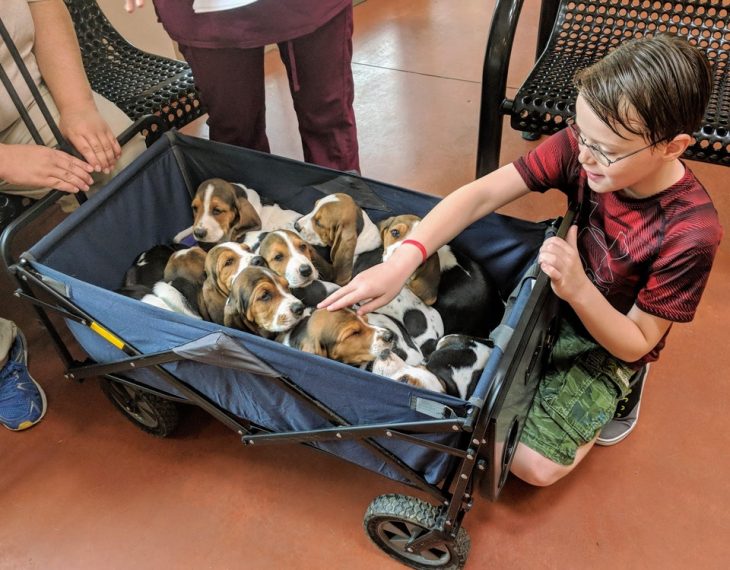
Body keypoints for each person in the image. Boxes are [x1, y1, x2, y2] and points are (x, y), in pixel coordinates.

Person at [319, 34, 723, 486]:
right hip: (554, 291)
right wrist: (402, 261)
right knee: (476, 398)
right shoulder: (582, 145)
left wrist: (579, 289)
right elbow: (482, 194)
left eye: (606, 149)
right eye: (581, 133)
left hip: (609, 337)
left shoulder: (691, 233)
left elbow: (638, 341)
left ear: (673, 146)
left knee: (529, 464)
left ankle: (623, 392)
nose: (585, 155)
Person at [0, 0, 147, 429]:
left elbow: (46, 13)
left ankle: (149, 298)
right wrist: (5, 162)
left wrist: (77, 105)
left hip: (23, 100)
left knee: (119, 158)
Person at [124, 0, 359, 172]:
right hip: (210, 14)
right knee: (235, 135)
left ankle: (345, 217)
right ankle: (251, 224)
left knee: (328, 117)